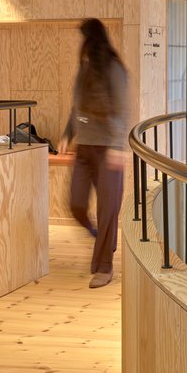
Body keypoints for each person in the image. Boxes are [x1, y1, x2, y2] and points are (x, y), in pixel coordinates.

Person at [58, 19, 128, 289]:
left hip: (108, 149)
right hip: (84, 148)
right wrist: (67, 134)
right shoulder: (84, 69)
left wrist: (118, 147)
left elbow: (122, 109)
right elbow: (76, 107)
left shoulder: (114, 69)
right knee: (76, 204)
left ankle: (104, 266)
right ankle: (98, 236)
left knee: (108, 209)